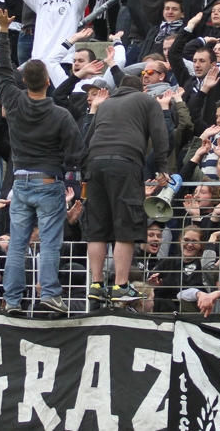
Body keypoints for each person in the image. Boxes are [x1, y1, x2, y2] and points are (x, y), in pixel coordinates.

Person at [0, 10, 86, 315]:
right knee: (48, 242)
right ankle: (49, 293)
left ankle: (11, 301)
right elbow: (77, 152)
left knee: (18, 244)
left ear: (24, 81)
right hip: (49, 182)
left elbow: (2, 69)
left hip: (19, 183)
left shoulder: (12, 100)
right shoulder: (61, 114)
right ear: (48, 81)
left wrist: (4, 30)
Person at [83, 73, 169, 304]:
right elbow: (160, 134)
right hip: (125, 162)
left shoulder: (105, 104)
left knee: (98, 227)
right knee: (126, 225)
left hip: (94, 163)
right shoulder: (148, 101)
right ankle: (121, 285)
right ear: (142, 89)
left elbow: (88, 138)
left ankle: (97, 284)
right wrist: (162, 166)